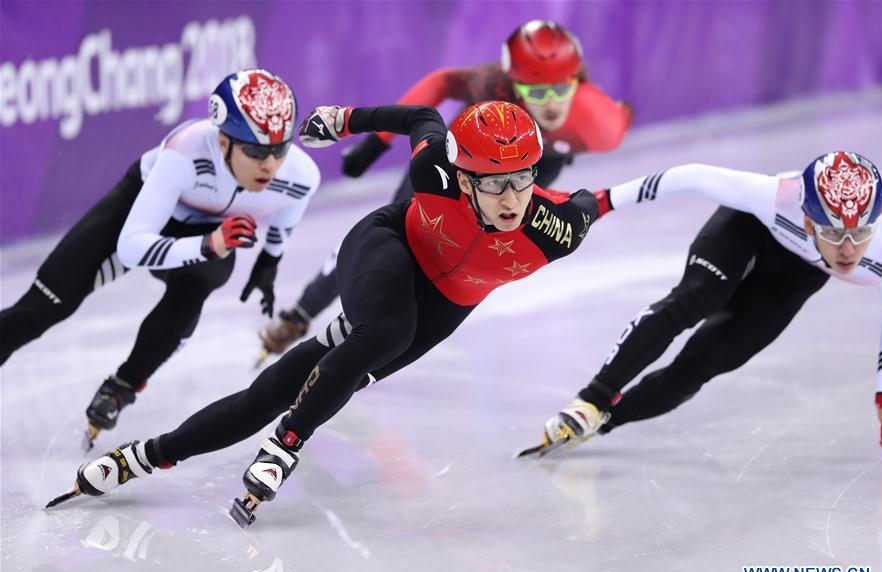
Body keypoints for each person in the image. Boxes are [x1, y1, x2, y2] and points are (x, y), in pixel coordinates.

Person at [48, 100, 612, 526]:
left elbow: (604, 199)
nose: (512, 199)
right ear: (464, 177)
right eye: (494, 184)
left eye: (522, 180)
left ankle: (146, 455)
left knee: (283, 386)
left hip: (446, 304)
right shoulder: (434, 171)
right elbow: (420, 115)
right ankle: (287, 444)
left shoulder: (557, 227)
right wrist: (347, 120)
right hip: (389, 249)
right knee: (388, 331)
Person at [256, 20, 632, 361]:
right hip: (467, 157)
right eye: (535, 90)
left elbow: (621, 116)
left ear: (577, 83)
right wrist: (377, 142)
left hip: (539, 160)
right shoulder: (491, 84)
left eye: (559, 89)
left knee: (476, 233)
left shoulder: (600, 124)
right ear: (512, 82)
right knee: (402, 226)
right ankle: (303, 312)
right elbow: (438, 85)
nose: (549, 104)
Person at [0, 69, 321, 448]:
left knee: (201, 281)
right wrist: (208, 244)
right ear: (223, 141)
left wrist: (269, 262)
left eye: (280, 149)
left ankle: (122, 386)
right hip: (139, 211)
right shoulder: (185, 152)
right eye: (254, 151)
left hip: (205, 232)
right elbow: (133, 245)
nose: (269, 165)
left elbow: (290, 207)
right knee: (43, 308)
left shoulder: (301, 175)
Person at [522, 152, 882, 458]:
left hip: (796, 275)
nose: (849, 249)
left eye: (861, 232)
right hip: (749, 227)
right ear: (807, 218)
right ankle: (592, 398)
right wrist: (603, 202)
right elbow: (691, 175)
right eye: (833, 232)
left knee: (710, 360)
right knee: (698, 297)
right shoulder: (772, 197)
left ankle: (601, 422)